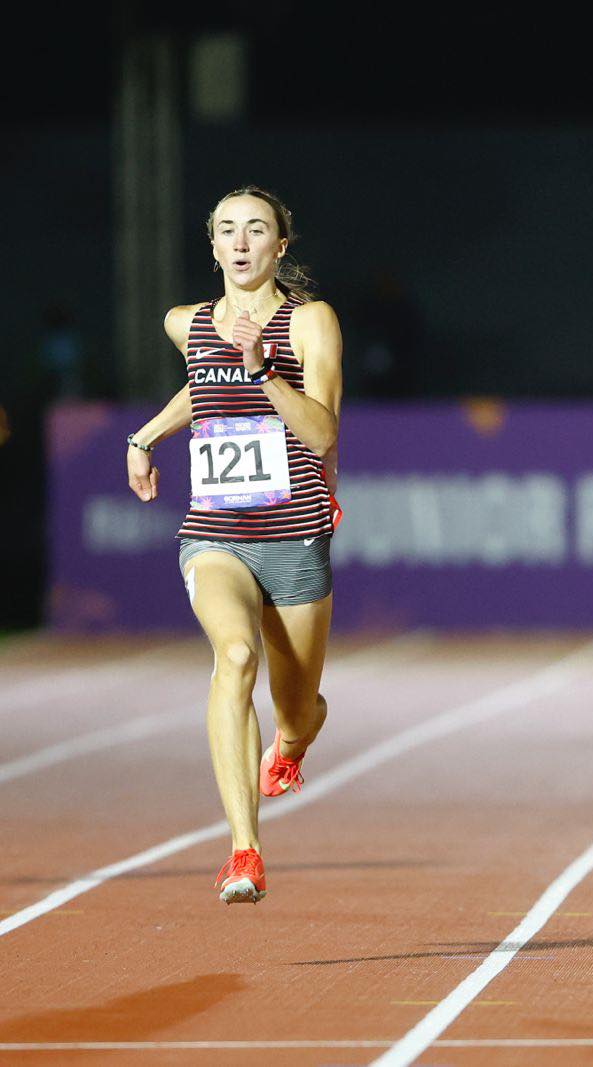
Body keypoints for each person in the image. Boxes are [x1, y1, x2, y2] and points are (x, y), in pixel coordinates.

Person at [125, 186, 343, 902]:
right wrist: (146, 435)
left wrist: (262, 370)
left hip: (294, 537)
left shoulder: (308, 323)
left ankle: (293, 742)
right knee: (235, 655)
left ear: (282, 246)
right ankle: (244, 850)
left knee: (299, 706)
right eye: (228, 230)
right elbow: (200, 385)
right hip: (215, 533)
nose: (242, 242)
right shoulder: (185, 322)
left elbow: (320, 433)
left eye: (257, 230)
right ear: (212, 246)